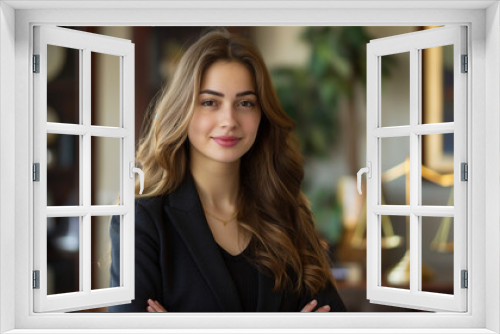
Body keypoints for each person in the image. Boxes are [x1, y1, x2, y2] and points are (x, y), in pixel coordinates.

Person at [108, 28, 346, 313]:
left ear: (262, 115)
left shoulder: (287, 210)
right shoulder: (143, 218)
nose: (229, 120)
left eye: (245, 103)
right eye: (210, 102)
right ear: (183, 110)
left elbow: (334, 322)